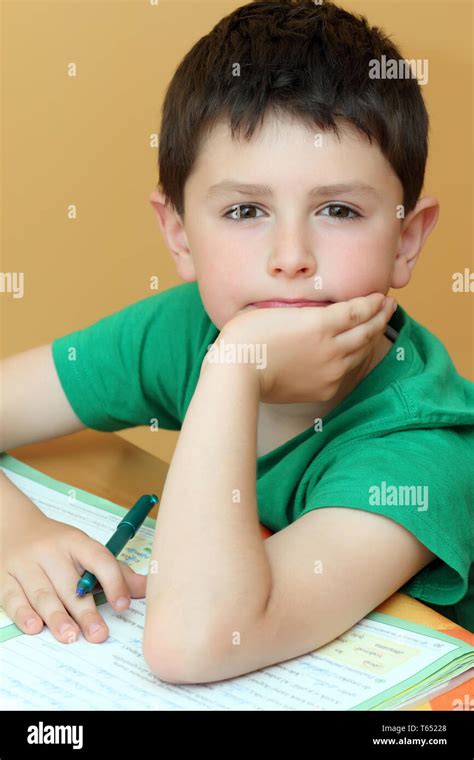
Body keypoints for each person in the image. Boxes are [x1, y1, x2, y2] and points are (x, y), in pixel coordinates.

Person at [1, 0, 472, 684]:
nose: (290, 257)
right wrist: (17, 532)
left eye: (338, 210)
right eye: (245, 211)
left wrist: (232, 369)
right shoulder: (184, 327)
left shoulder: (421, 452)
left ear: (406, 239)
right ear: (180, 234)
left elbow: (193, 644)